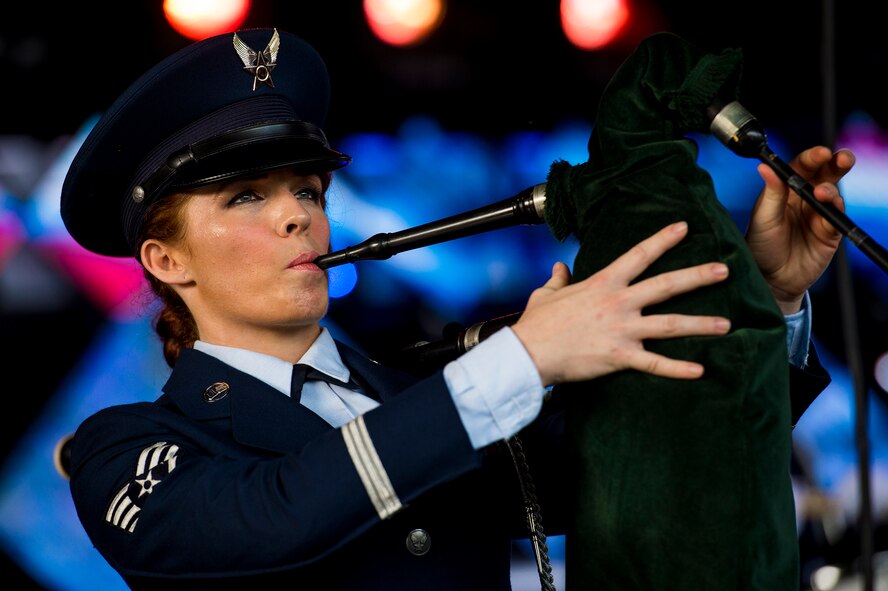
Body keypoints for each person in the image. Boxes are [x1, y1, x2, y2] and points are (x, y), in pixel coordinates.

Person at [59, 27, 853, 590]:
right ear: (165, 260)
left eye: (307, 189)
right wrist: (524, 357)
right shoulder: (124, 446)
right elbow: (271, 515)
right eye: (245, 196)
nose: (297, 214)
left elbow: (659, 465)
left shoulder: (428, 391)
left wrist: (765, 301)